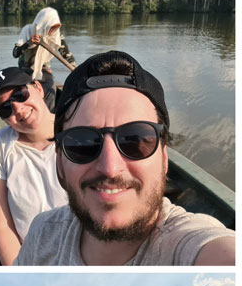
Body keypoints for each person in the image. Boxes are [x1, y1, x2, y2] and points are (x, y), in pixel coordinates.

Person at [16, 51, 234, 265]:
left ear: (164, 159)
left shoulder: (189, 245)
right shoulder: (42, 234)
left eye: (136, 139)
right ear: (59, 164)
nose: (110, 168)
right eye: (81, 143)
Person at [0, 67, 68, 266]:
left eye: (20, 94)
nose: (17, 108)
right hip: (24, 254)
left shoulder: (76, 132)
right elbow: (1, 225)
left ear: (38, 88)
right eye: (6, 108)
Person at [13, 7, 76, 112]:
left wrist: (78, 70)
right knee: (26, 93)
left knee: (51, 90)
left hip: (44, 71)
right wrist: (29, 43)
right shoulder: (28, 30)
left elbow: (67, 56)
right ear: (42, 24)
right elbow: (15, 53)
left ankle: (49, 117)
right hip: (26, 69)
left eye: (55, 27)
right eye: (50, 27)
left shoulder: (57, 36)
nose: (52, 31)